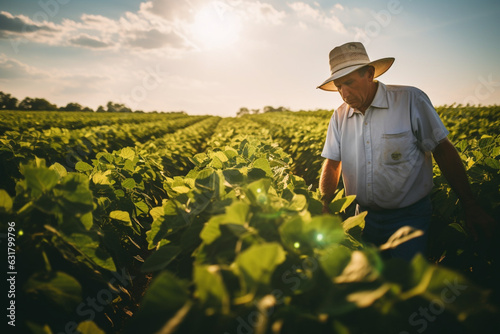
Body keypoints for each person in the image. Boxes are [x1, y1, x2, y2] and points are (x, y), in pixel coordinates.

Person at [317, 41, 496, 261]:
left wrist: (470, 204)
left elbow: (442, 150)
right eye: (338, 86)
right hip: (363, 218)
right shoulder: (339, 116)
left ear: (370, 74)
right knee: (370, 285)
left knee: (406, 282)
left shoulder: (409, 100)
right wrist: (325, 203)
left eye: (350, 82)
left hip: (410, 217)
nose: (344, 93)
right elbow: (333, 163)